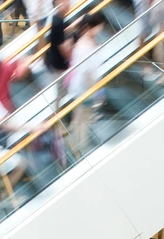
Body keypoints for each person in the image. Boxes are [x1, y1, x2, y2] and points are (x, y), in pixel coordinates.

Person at [67, 12, 107, 150]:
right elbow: (88, 72)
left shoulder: (83, 41)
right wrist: (96, 91)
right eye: (99, 26)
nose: (101, 29)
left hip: (80, 85)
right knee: (84, 118)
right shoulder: (86, 46)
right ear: (92, 26)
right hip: (86, 87)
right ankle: (82, 146)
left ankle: (75, 144)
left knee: (79, 116)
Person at [44, 0, 72, 108]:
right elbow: (62, 47)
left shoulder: (58, 19)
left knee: (61, 92)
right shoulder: (58, 22)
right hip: (60, 66)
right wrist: (72, 61)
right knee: (61, 93)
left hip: (57, 63)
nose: (68, 3)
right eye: (65, 1)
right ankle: (59, 116)